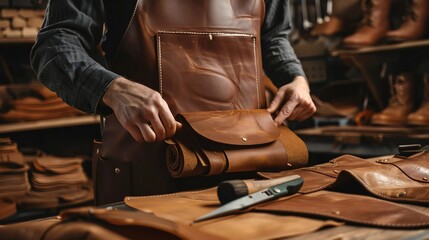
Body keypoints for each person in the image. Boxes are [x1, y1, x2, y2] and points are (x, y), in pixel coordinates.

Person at [31, 0, 316, 205]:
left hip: (249, 174)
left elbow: (273, 36)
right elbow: (55, 43)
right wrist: (113, 89)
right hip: (147, 180)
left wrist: (296, 78)